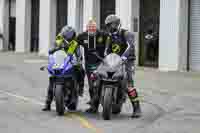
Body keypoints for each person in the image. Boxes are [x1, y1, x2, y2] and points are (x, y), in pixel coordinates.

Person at [104, 14, 142, 118]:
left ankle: (137, 108)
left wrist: (124, 58)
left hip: (127, 61)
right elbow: (107, 50)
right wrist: (106, 59)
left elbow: (130, 47)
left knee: (129, 85)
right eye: (108, 26)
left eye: (110, 25)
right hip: (115, 61)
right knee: (105, 76)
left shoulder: (126, 34)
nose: (109, 28)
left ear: (116, 24)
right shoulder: (110, 36)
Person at [42, 26, 85, 111]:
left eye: (70, 36)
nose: (68, 38)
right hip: (59, 63)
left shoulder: (75, 43)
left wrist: (79, 60)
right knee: (51, 81)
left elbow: (79, 54)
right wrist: (55, 49)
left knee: (81, 70)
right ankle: (47, 103)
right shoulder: (58, 40)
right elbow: (50, 51)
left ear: (73, 36)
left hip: (70, 63)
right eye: (66, 35)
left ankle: (80, 88)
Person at [77, 19, 110, 113]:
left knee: (99, 84)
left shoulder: (103, 34)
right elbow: (74, 45)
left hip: (101, 63)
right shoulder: (82, 36)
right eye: (90, 27)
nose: (92, 29)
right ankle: (94, 107)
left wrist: (108, 52)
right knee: (91, 85)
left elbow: (111, 39)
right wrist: (70, 53)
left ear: (96, 28)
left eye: (93, 27)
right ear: (87, 28)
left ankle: (106, 101)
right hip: (88, 64)